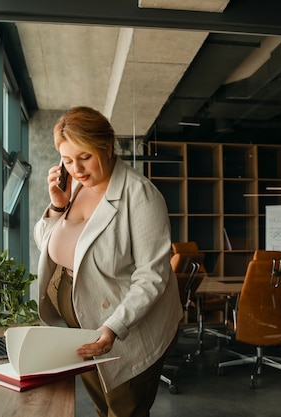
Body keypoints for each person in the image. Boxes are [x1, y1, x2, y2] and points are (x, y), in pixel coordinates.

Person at [34, 106, 182, 417]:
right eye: (67, 160)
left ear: (106, 146)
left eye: (84, 157)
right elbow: (48, 244)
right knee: (103, 407)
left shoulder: (140, 195)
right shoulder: (73, 189)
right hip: (79, 324)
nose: (77, 169)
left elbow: (153, 276)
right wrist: (57, 207)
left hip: (123, 327)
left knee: (124, 410)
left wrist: (114, 328)